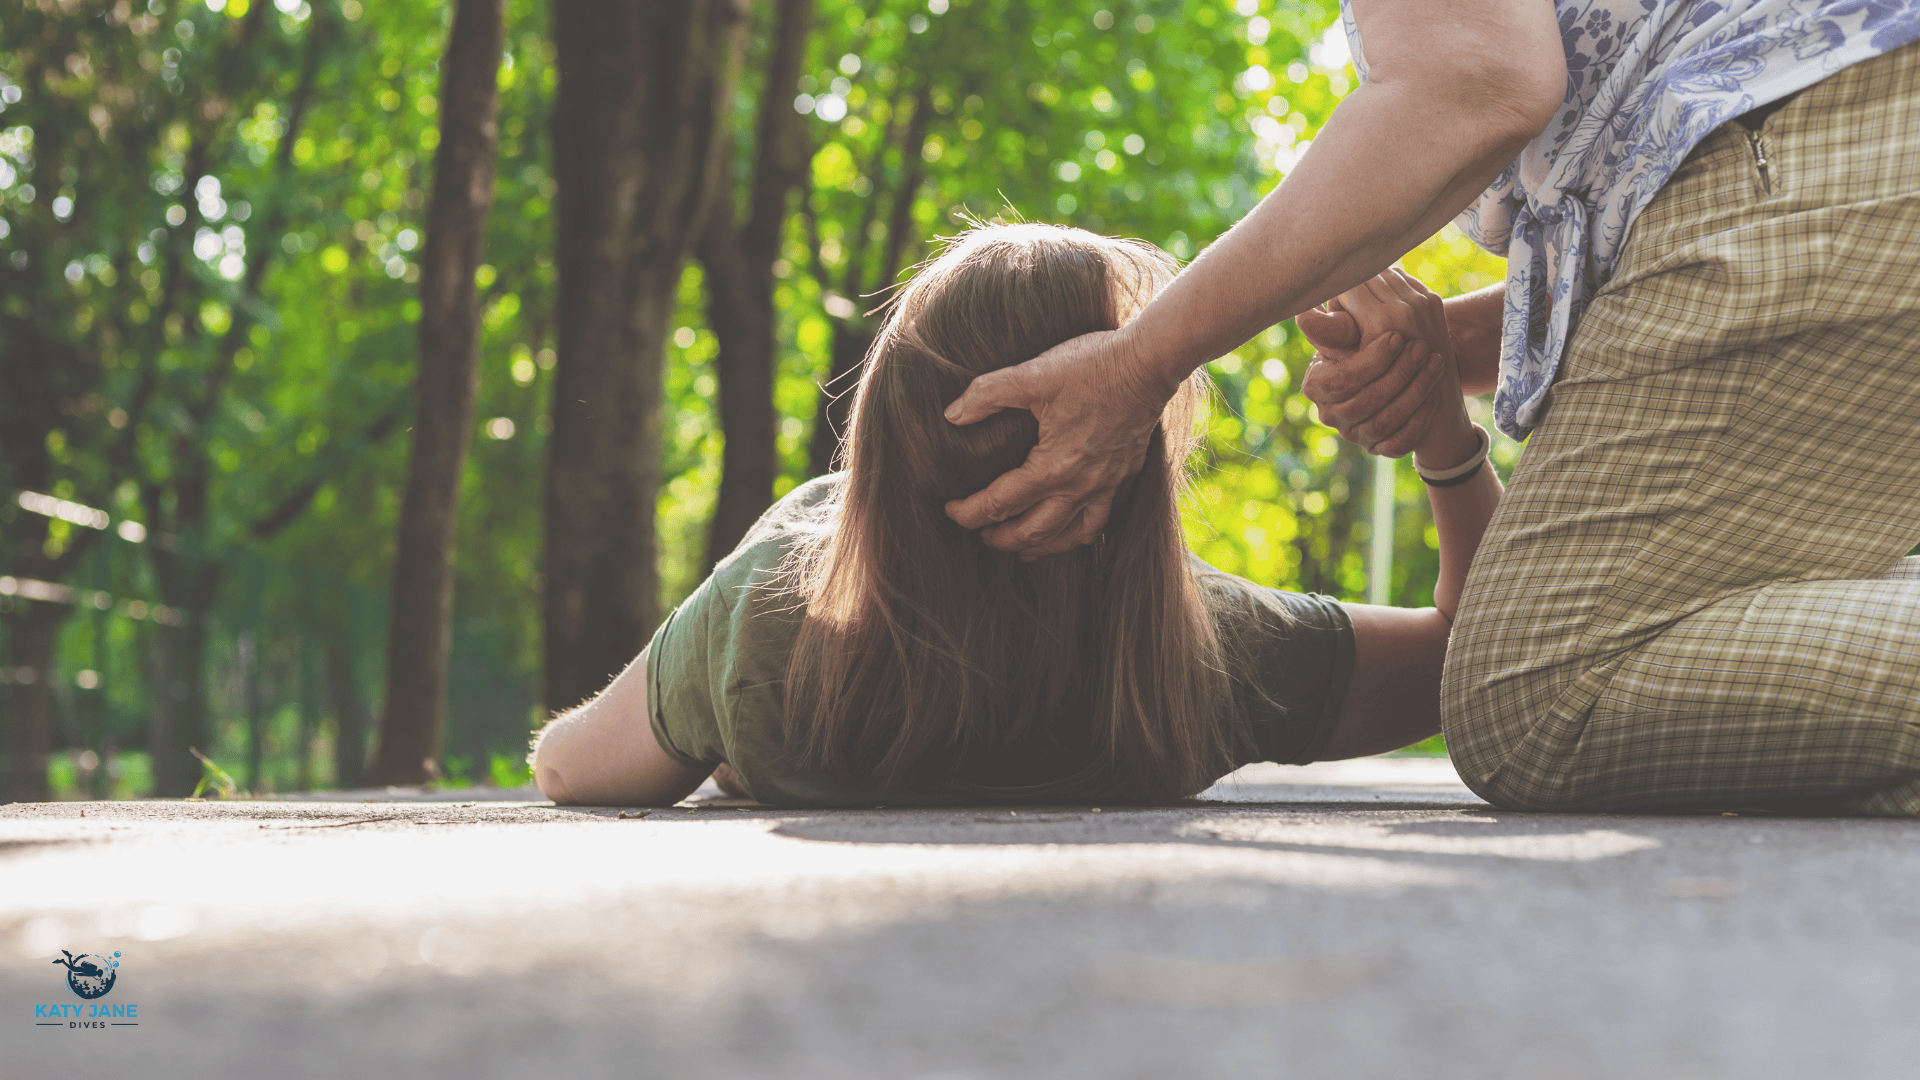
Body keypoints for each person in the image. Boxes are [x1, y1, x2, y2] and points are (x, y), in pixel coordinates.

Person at [940, 2, 1920, 814]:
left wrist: (1146, 358)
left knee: (1534, 695)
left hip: (1830, 135)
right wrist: (1441, 360)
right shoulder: (1216, 658)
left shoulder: (1212, 654)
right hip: (1851, 133)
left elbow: (1476, 82)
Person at [529, 224, 1498, 807]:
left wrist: (732, 710)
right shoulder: (1206, 657)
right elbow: (1475, 659)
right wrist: (1446, 443)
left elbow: (569, 770)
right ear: (1128, 464)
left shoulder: (766, 628)